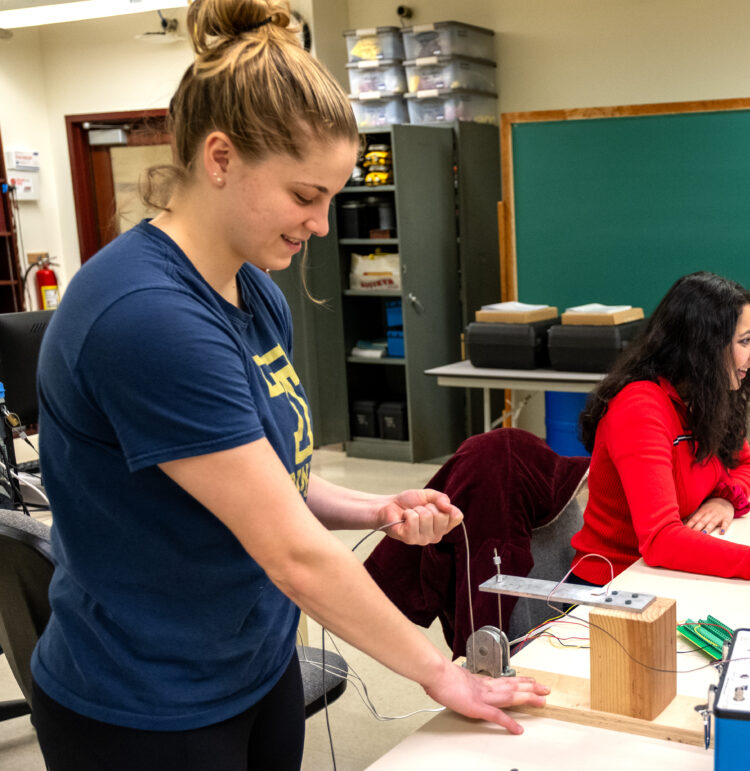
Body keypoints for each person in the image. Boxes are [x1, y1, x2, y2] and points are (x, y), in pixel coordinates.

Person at [28, 2, 546, 768]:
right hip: (145, 703)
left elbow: (268, 481)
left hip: (251, 665)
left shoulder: (253, 288)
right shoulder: (149, 318)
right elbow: (292, 554)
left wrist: (374, 506)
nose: (322, 224)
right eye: (306, 196)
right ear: (219, 158)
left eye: (331, 197)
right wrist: (441, 671)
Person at [569, 271, 750, 595]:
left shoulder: (705, 396)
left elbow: (747, 465)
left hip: (666, 578)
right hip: (611, 588)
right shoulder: (640, 409)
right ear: (703, 346)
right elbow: (660, 541)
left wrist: (725, 500)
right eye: (745, 341)